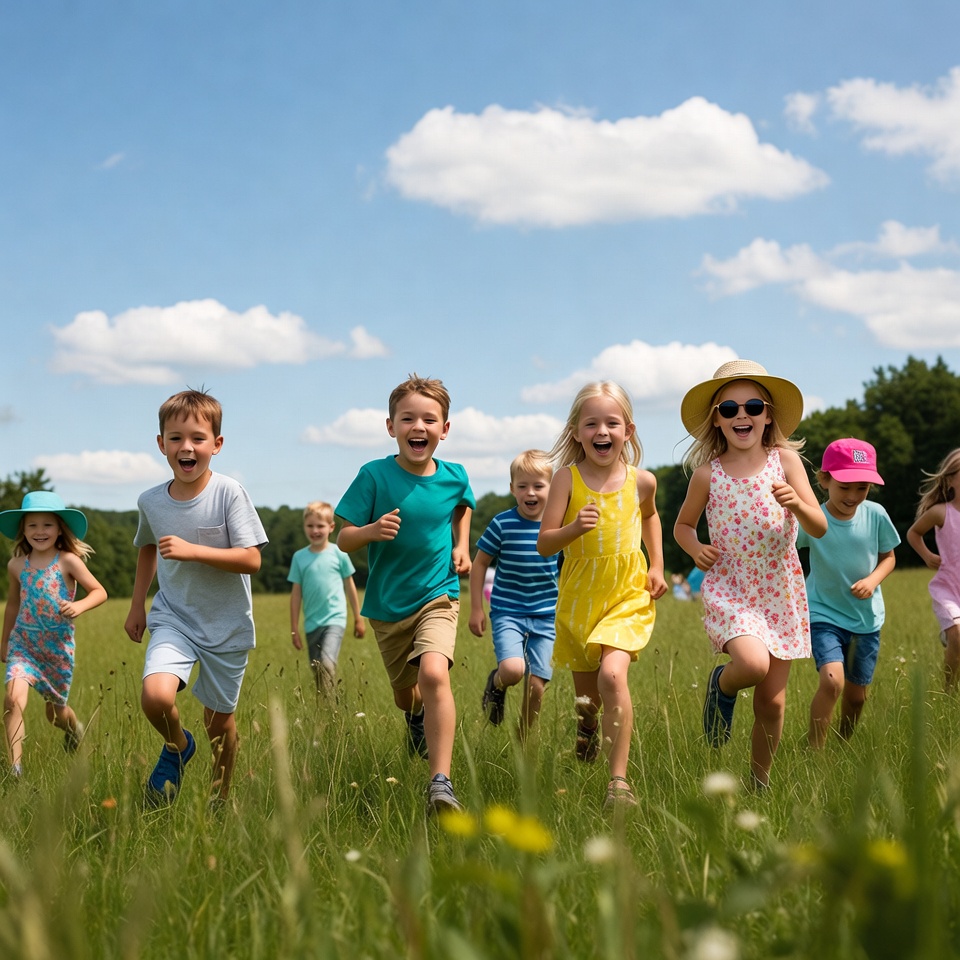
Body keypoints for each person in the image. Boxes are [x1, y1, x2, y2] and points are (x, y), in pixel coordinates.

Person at [674, 360, 826, 789]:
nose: (742, 415)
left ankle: (759, 782)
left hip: (780, 589)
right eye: (730, 409)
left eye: (753, 406)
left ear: (768, 415)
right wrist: (695, 548)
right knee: (753, 664)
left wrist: (797, 503)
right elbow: (682, 526)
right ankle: (722, 685)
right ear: (716, 420)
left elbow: (819, 526)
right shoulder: (708, 474)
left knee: (772, 704)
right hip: (733, 588)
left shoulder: (786, 463)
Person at [336, 374, 475, 815]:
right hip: (388, 605)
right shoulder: (374, 475)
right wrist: (371, 531)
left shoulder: (454, 475)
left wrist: (461, 545)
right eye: (408, 418)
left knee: (434, 674)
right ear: (391, 426)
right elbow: (343, 538)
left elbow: (463, 505)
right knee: (406, 695)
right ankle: (415, 717)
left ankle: (441, 783)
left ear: (444, 429)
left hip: (439, 593)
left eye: (429, 419)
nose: (419, 426)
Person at [124, 389, 268, 805]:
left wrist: (193, 551)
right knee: (156, 697)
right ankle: (178, 745)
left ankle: (219, 799)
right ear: (161, 444)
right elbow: (147, 547)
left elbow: (251, 559)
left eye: (198, 438)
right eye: (175, 438)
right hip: (174, 617)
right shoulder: (151, 501)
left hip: (227, 624)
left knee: (219, 724)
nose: (186, 447)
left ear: (216, 444)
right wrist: (137, 604)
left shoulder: (229, 493)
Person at [537, 382, 666, 810]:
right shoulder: (565, 479)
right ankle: (587, 730)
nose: (602, 431)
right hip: (580, 598)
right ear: (576, 432)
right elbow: (545, 543)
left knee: (612, 676)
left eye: (612, 423)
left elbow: (651, 517)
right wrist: (574, 528)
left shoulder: (642, 481)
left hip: (627, 594)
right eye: (591, 423)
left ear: (628, 431)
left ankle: (618, 783)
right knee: (587, 702)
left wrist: (657, 565)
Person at [797, 439, 899, 748]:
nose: (853, 496)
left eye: (862, 488)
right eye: (845, 487)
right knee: (832, 681)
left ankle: (842, 744)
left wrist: (873, 580)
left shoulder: (876, 515)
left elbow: (889, 557)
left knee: (856, 698)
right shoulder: (813, 518)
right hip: (823, 614)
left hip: (865, 620)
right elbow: (784, 549)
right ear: (824, 480)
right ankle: (815, 752)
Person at [1, 491, 107, 777]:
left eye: (47, 524)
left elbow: (99, 591)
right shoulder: (16, 565)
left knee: (56, 715)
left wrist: (79, 605)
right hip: (23, 646)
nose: (40, 531)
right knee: (12, 701)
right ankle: (14, 768)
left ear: (60, 529)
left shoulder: (68, 561)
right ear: (23, 530)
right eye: (32, 525)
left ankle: (73, 729)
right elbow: (13, 604)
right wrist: (5, 640)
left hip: (56, 650)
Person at [469, 450, 559, 739]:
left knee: (536, 686)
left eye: (538, 486)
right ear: (512, 489)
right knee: (512, 670)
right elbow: (479, 563)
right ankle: (496, 686)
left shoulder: (557, 527)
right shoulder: (502, 524)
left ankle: (524, 740)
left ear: (553, 488)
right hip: (508, 612)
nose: (530, 492)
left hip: (547, 615)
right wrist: (476, 609)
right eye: (522, 486)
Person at [288, 500, 365, 693]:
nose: (315, 530)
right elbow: (296, 595)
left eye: (320, 526)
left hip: (335, 619)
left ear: (331, 527)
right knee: (317, 669)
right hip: (311, 623)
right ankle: (325, 706)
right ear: (304, 527)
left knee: (327, 664)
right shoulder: (299, 557)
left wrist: (358, 618)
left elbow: (350, 586)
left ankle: (331, 707)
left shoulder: (340, 553)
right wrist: (294, 628)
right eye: (310, 526)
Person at [907, 448, 960, 690]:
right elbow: (914, 533)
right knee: (958, 634)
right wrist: (927, 555)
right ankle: (949, 690)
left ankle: (950, 636)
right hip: (947, 589)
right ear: (950, 480)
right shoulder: (941, 512)